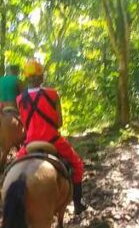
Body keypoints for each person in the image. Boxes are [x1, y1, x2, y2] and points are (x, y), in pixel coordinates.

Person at [15, 58, 86, 215]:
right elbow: (59, 123)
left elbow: (25, 124)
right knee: (78, 165)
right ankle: (78, 204)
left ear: (26, 79)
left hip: (29, 144)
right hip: (53, 140)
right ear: (41, 78)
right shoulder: (53, 94)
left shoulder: (19, 99)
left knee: (12, 169)